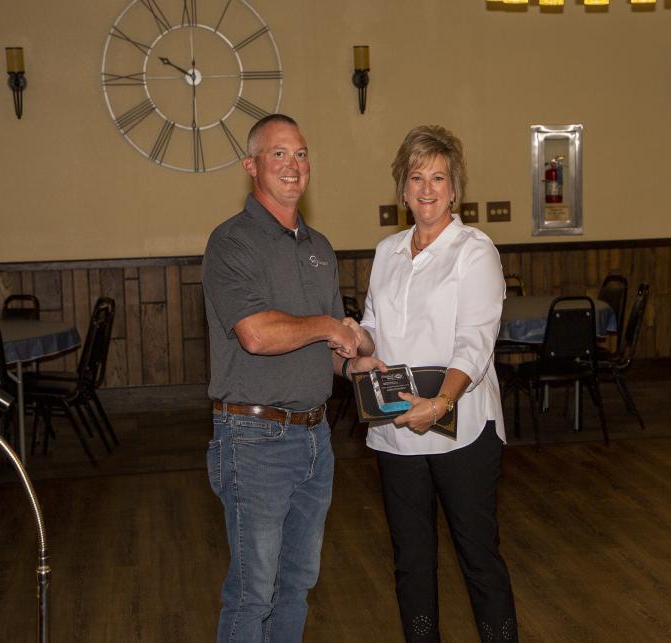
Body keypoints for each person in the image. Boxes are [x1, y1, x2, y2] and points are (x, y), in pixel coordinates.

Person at [201, 113, 378, 642]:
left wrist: (355, 364)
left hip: (315, 439)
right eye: (278, 154)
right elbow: (256, 335)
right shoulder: (231, 243)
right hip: (254, 439)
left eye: (300, 154)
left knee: (297, 584)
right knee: (254, 592)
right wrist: (330, 325)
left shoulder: (319, 247)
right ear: (251, 166)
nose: (293, 165)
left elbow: (323, 350)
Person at [354, 125, 519, 642]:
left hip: (462, 424)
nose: (427, 188)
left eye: (439, 177)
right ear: (402, 189)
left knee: (477, 557)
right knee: (412, 563)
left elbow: (475, 341)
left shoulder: (475, 251)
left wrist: (442, 402)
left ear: (454, 188)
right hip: (397, 427)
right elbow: (374, 326)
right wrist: (350, 339)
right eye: (417, 177)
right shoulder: (386, 252)